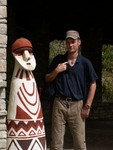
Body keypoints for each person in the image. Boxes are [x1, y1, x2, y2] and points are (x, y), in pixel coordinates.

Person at [45, 30, 98, 150]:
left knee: (80, 144)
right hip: (59, 104)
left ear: (79, 42)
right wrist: (57, 70)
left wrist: (87, 106)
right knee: (56, 144)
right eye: (68, 42)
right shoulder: (58, 60)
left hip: (77, 105)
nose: (70, 45)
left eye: (73, 42)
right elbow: (47, 78)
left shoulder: (85, 63)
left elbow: (93, 84)